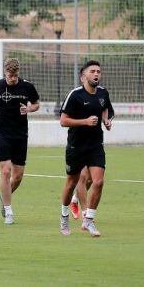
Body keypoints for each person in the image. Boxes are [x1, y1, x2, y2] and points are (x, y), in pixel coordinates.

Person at [59, 60, 114, 238]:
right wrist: (84, 122)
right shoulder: (75, 95)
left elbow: (105, 109)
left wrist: (106, 120)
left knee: (98, 181)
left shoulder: (103, 93)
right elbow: (63, 121)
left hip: (96, 145)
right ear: (84, 76)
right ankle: (64, 215)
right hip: (76, 146)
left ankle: (88, 220)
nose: (96, 74)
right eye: (93, 71)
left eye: (99, 71)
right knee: (71, 183)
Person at [0, 58, 40, 225]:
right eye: (10, 75)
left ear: (18, 73)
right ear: (5, 73)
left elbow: (37, 104)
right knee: (6, 171)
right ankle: (8, 212)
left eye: (15, 76)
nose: (12, 79)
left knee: (18, 176)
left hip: (21, 134)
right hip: (1, 132)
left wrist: (29, 108)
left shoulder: (27, 87)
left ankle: (4, 195)